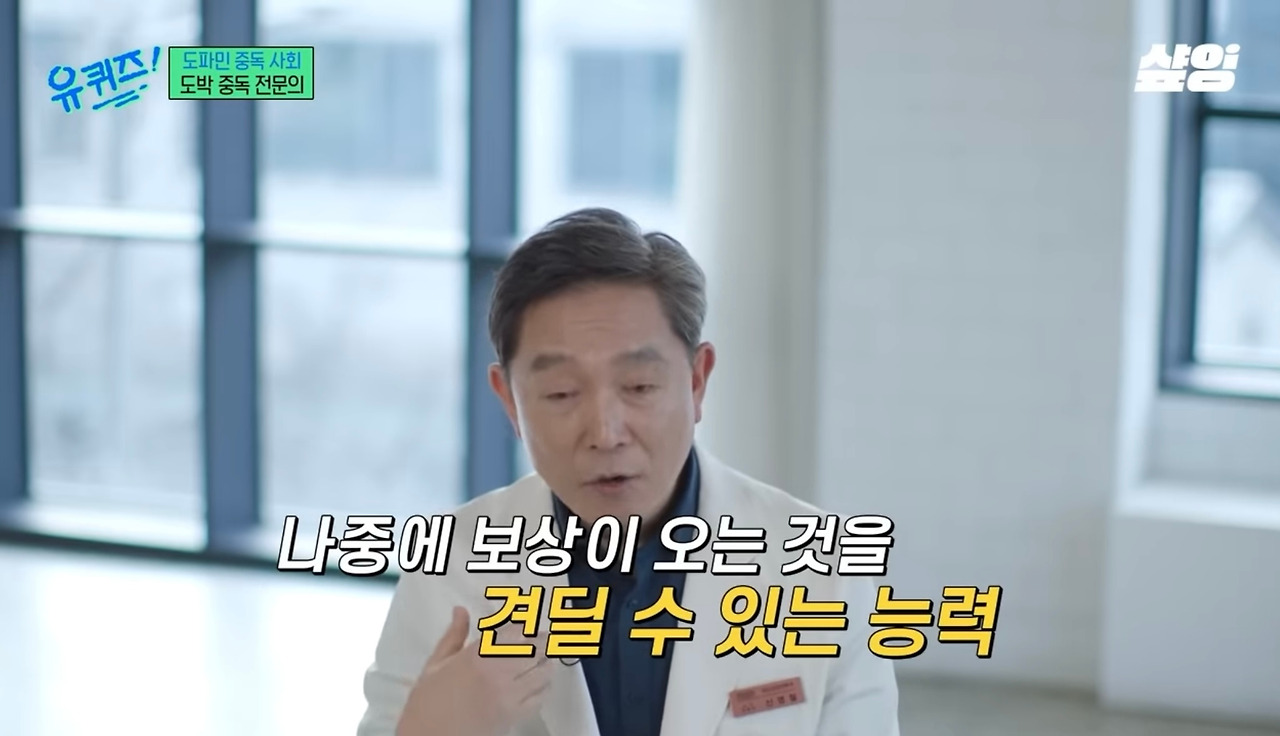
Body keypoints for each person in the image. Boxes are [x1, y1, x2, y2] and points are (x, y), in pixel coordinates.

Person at [357, 208, 899, 736]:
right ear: (509, 402)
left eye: (639, 386)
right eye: (561, 393)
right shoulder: (446, 571)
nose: (605, 432)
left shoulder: (826, 570)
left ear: (696, 381)